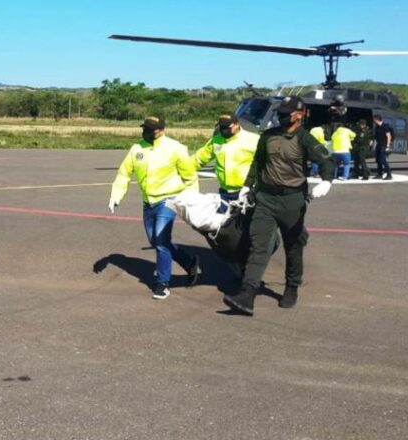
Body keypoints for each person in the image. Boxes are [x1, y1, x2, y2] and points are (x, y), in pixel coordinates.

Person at [223, 96, 334, 316]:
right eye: (281, 112)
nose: (282, 116)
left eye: (287, 112)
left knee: (293, 246)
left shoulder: (305, 139)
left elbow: (326, 160)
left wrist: (326, 180)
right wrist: (247, 186)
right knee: (258, 246)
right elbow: (258, 162)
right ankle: (248, 294)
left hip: (292, 200)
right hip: (265, 198)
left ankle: (292, 287)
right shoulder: (267, 137)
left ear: (299, 115)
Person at [109, 116, 201, 300]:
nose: (145, 132)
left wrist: (193, 200)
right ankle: (189, 262)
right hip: (148, 202)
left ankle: (163, 283)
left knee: (160, 241)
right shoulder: (137, 148)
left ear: (160, 130)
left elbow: (190, 176)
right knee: (156, 240)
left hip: (169, 200)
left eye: (150, 129)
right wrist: (116, 195)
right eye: (144, 128)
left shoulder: (176, 148)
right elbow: (124, 173)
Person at [193, 114, 260, 202]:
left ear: (236, 125)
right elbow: (199, 159)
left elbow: (262, 163)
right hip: (224, 191)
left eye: (227, 128)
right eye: (222, 127)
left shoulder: (253, 140)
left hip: (246, 190)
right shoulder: (216, 140)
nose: (224, 130)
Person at [372, 114, 394, 180]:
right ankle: (379, 174)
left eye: (374, 119)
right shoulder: (377, 127)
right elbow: (376, 137)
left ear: (377, 119)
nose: (373, 121)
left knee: (383, 160)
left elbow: (388, 136)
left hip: (383, 146)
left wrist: (387, 146)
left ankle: (389, 175)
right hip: (378, 145)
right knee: (378, 160)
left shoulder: (385, 126)